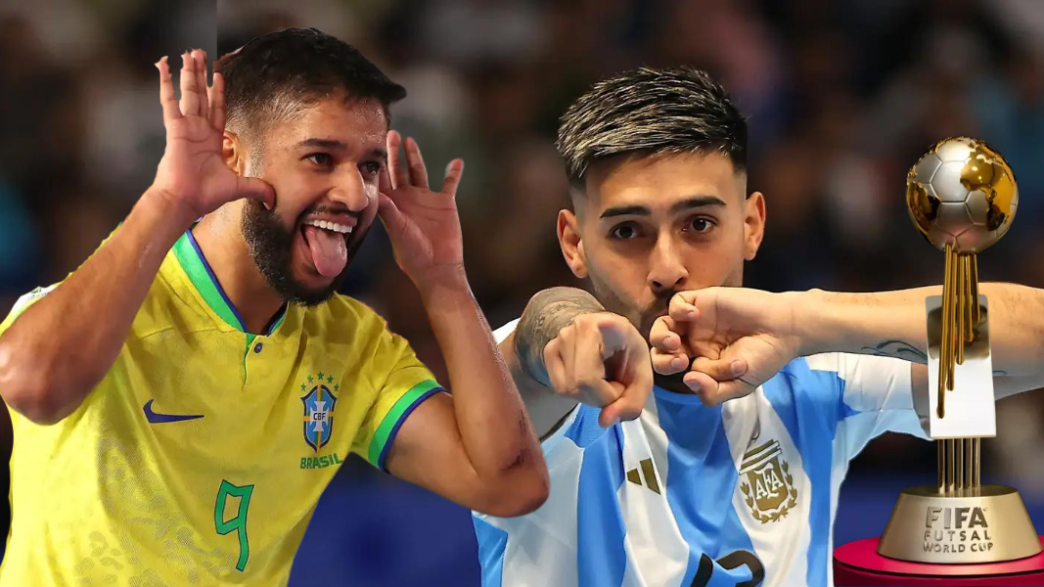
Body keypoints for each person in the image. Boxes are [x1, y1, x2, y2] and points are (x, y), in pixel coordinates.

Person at [0, 28, 548, 585]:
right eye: (320, 158)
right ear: (233, 155)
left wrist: (445, 282)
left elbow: (510, 484)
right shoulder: (116, 298)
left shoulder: (352, 344)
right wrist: (167, 200)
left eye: (367, 166)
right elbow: (32, 388)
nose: (356, 195)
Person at [473, 66, 1044, 587]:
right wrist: (566, 326)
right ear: (574, 243)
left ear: (751, 225)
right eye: (627, 231)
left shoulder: (814, 374)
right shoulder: (544, 390)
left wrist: (802, 320)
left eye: (699, 224)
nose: (668, 268)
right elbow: (537, 337)